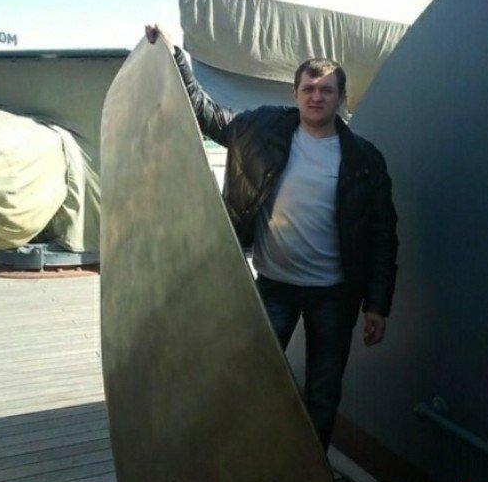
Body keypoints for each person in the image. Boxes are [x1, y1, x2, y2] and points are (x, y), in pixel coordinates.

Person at [145, 25, 398, 452]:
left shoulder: (365, 159)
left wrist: (377, 304)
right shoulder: (261, 130)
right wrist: (175, 58)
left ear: (341, 98)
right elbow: (206, 115)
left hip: (335, 296)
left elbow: (382, 237)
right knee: (250, 381)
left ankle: (310, 471)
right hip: (273, 287)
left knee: (323, 392)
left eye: (327, 90)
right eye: (308, 88)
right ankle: (252, 462)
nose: (316, 97)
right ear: (295, 94)